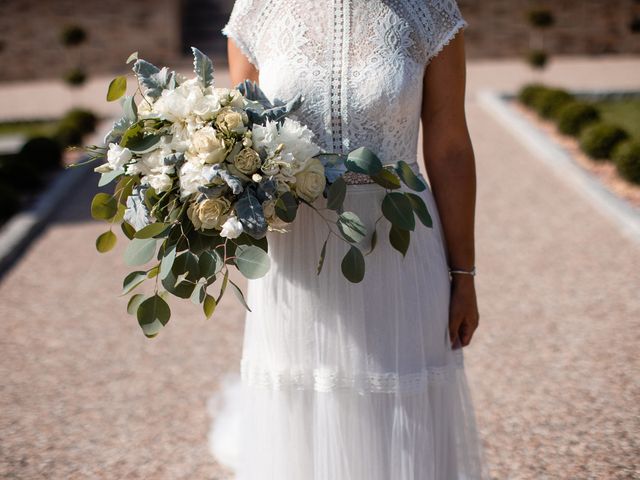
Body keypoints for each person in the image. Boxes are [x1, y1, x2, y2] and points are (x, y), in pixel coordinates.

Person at [209, 1, 489, 478]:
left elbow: (450, 148)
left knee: (398, 409)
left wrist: (463, 275)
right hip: (295, 253)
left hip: (398, 244)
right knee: (301, 414)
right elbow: (240, 140)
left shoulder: (430, 12)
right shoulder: (258, 11)